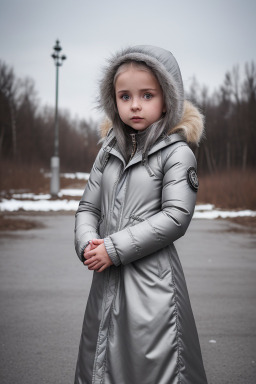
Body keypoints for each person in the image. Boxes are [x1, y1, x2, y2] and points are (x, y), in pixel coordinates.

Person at [74, 45, 208, 384]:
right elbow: (89, 207)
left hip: (153, 285)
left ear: (168, 98)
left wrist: (114, 248)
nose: (135, 105)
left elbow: (176, 217)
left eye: (147, 95)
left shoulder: (176, 153)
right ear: (113, 100)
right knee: (101, 364)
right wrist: (88, 242)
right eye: (124, 96)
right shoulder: (107, 152)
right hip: (105, 281)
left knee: (155, 368)